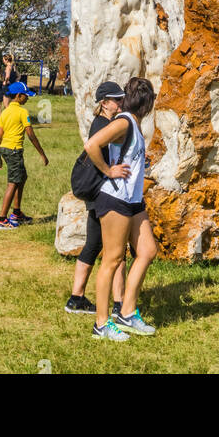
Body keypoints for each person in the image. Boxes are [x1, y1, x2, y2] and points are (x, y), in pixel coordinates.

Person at [84, 75, 158, 342]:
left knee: (148, 250)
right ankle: (101, 324)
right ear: (147, 104)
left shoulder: (133, 125)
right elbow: (92, 144)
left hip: (133, 200)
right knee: (112, 260)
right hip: (115, 199)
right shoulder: (125, 121)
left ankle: (127, 312)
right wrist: (108, 170)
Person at [65, 81, 128, 317]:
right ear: (104, 103)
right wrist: (109, 171)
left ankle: (76, 298)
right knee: (117, 247)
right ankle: (119, 303)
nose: (121, 102)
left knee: (94, 244)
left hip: (94, 189)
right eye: (117, 99)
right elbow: (92, 147)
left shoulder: (103, 122)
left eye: (122, 98)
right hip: (101, 190)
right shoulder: (103, 125)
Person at [0, 82, 48, 228]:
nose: (27, 99)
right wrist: (42, 154)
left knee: (22, 177)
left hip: (5, 149)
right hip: (14, 151)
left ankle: (16, 213)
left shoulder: (5, 112)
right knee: (13, 183)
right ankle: (1, 219)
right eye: (26, 96)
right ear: (18, 96)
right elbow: (31, 135)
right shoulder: (22, 112)